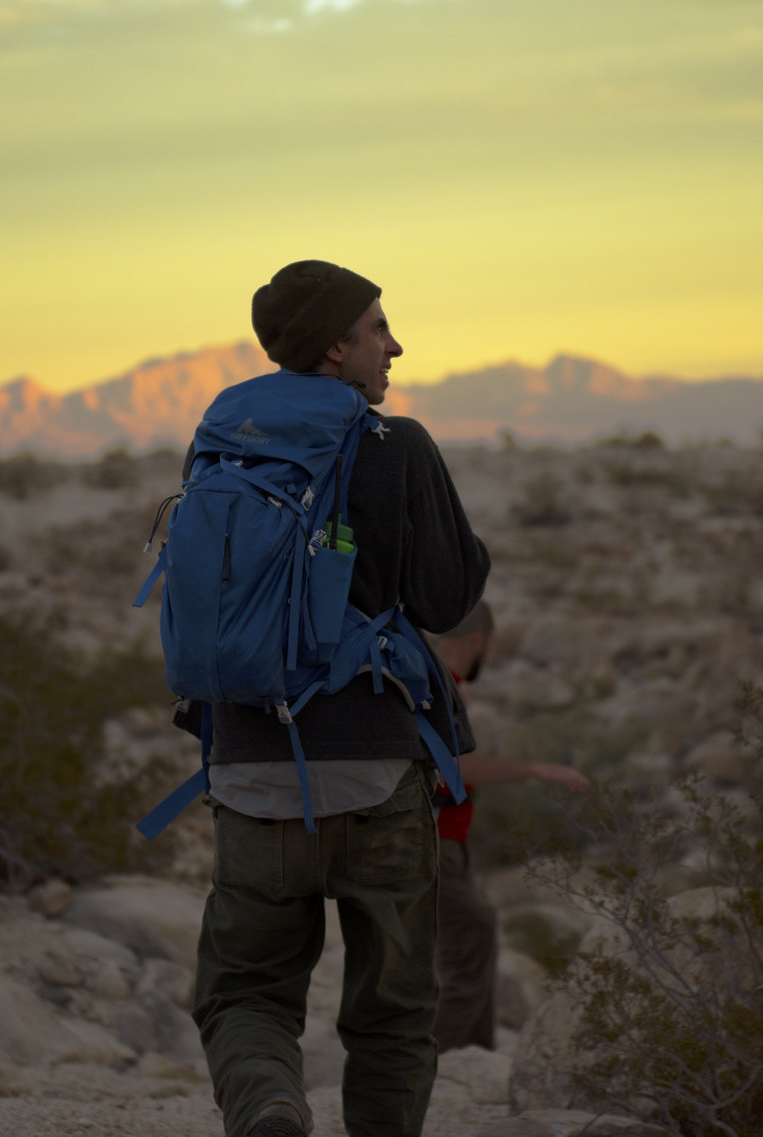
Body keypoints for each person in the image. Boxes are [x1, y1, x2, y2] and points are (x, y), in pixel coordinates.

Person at [188, 260, 492, 1137]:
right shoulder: (399, 447)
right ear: (335, 346)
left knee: (245, 990)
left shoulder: (221, 442)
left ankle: (271, 1107)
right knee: (395, 1011)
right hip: (378, 773)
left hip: (251, 768)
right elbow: (447, 597)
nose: (394, 344)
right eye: (376, 327)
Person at [426, 601, 590, 1052]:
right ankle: (446, 1057)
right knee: (473, 939)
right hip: (434, 842)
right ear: (479, 641)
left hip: (441, 842)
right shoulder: (438, 685)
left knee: (466, 938)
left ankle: (467, 1051)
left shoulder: (434, 681)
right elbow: (457, 765)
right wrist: (537, 769)